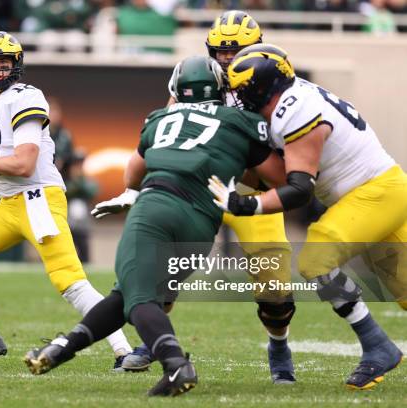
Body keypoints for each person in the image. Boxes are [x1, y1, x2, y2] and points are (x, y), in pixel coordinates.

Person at [24, 56, 286, 397]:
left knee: (139, 298)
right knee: (127, 295)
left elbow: (133, 172)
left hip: (158, 207)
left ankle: (176, 364)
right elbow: (278, 178)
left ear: (177, 90)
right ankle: (62, 347)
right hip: (202, 226)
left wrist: (133, 191)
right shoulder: (241, 121)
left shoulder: (160, 118)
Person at [210, 43, 406, 389]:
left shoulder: (294, 110)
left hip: (375, 194)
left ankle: (378, 346)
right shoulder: (289, 98)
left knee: (316, 257)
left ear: (262, 88)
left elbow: (298, 189)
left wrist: (247, 204)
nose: (239, 98)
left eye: (244, 91)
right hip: (375, 193)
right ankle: (379, 346)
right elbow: (271, 173)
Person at [0, 31, 132, 369]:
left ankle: (125, 351)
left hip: (38, 199)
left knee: (70, 282)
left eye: (4, 62)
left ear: (16, 64)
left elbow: (24, 165)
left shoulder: (26, 97)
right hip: (9, 204)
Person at [121, 10, 297, 385]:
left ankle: (278, 345)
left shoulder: (275, 83)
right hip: (199, 188)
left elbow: (283, 152)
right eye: (221, 52)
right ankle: (153, 342)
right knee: (165, 268)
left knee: (275, 291)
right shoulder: (197, 80)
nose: (228, 61)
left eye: (237, 52)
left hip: (253, 194)